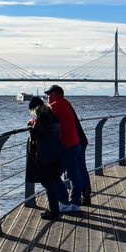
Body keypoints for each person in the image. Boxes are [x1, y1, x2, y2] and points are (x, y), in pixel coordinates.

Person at [45, 84, 86, 213]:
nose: (47, 97)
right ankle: (75, 203)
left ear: (55, 95)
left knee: (53, 175)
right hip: (76, 144)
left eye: (49, 95)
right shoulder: (66, 103)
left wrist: (31, 122)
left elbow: (41, 117)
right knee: (74, 174)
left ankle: (64, 203)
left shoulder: (56, 105)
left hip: (67, 146)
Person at [25, 97, 65, 221]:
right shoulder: (50, 114)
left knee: (48, 183)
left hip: (45, 155)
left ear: (37, 107)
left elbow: (37, 134)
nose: (33, 112)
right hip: (54, 152)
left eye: (33, 109)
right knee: (51, 181)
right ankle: (54, 209)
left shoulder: (44, 118)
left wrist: (31, 128)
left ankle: (54, 211)